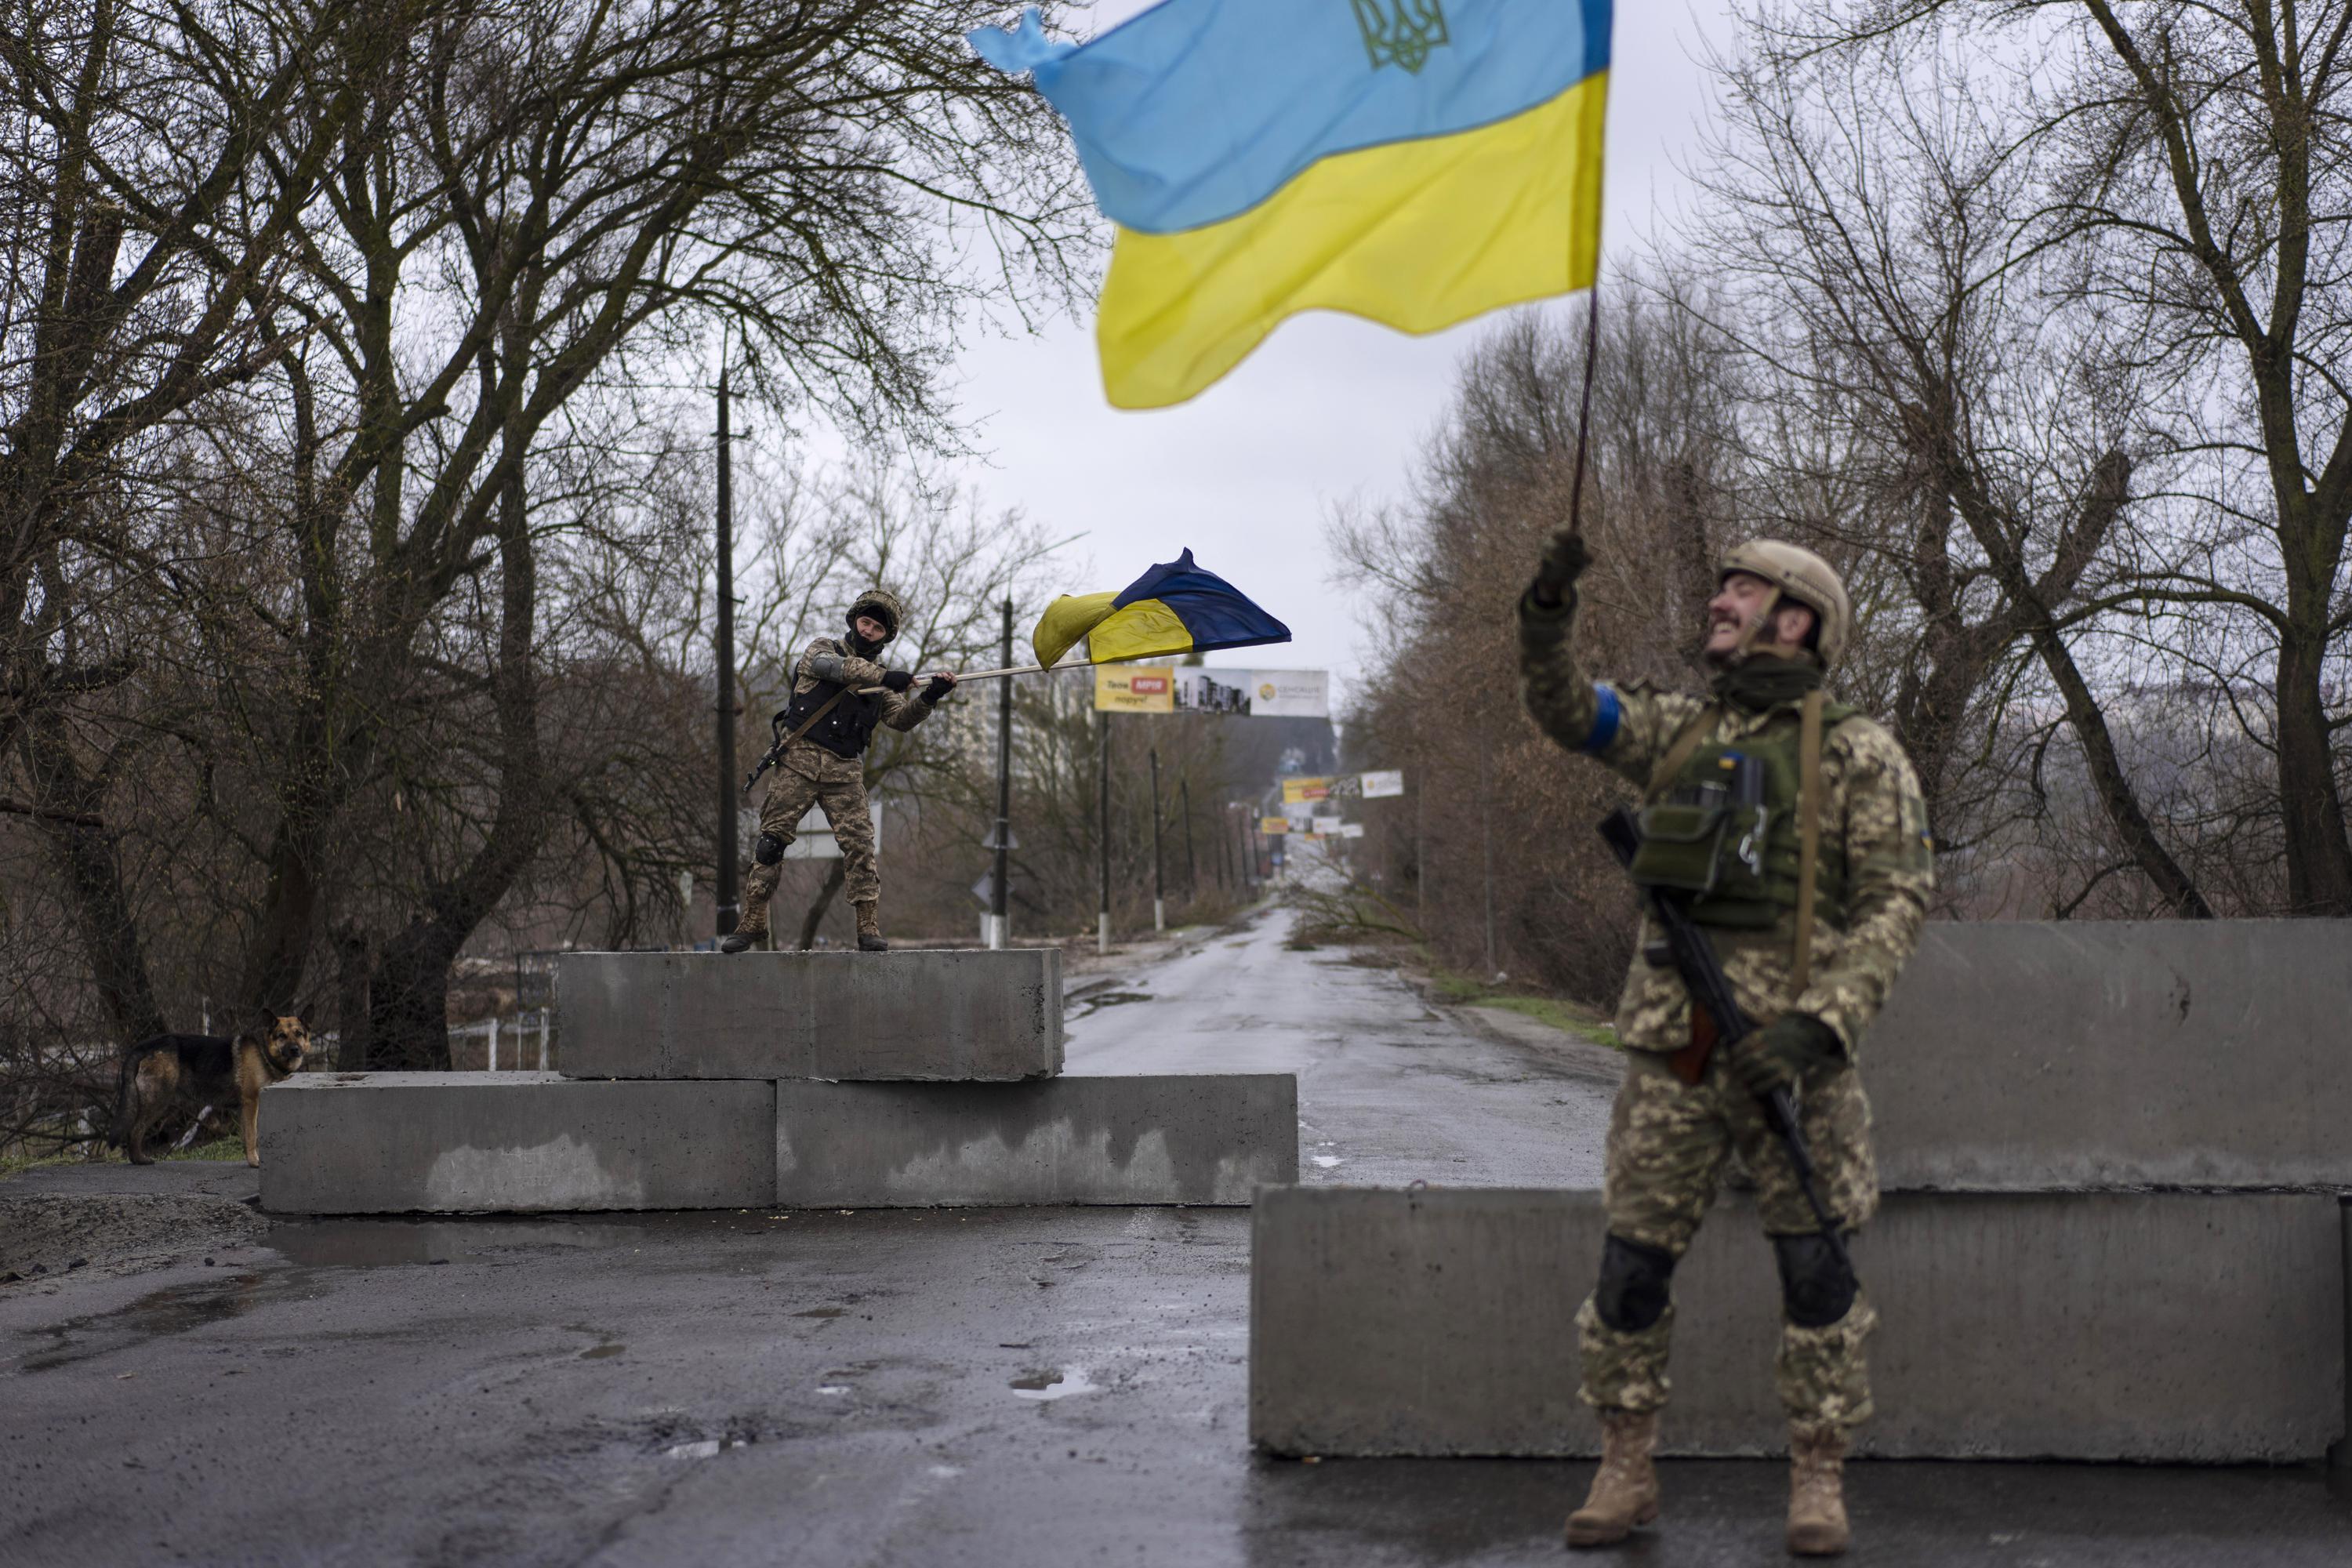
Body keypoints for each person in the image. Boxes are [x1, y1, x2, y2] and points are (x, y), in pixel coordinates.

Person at [1518, 531, 1933, 1557]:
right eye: (1723, 586)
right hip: (1678, 1055)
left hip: (1800, 1066)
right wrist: (1549, 608)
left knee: (1818, 1278)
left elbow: (1896, 901)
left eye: (1745, 590)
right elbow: (1567, 707)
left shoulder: (1859, 754)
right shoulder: (1674, 733)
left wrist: (1819, 1025)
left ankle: (1819, 1477)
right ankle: (1625, 1470)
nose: (1721, 601)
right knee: (1630, 1274)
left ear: (1797, 619)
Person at [722, 589, 955, 953]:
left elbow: (901, 719)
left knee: (861, 847)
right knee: (771, 841)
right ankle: (753, 922)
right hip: (798, 761)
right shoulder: (822, 649)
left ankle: (867, 927)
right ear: (853, 621)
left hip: (844, 773)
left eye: (878, 628)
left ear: (886, 635)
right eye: (865, 622)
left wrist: (930, 697)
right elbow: (832, 669)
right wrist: (885, 674)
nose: (869, 631)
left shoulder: (883, 686)